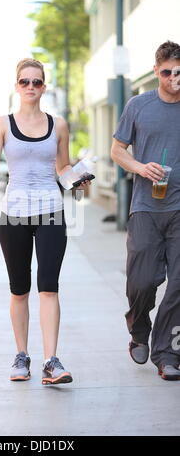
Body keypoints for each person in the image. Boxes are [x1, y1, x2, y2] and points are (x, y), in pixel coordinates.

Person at [0, 58, 89, 385]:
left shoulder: (59, 124)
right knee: (20, 290)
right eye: (24, 82)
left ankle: (51, 362)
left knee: (49, 287)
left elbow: (63, 170)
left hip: (51, 212)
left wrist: (80, 180)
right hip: (13, 216)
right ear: (16, 86)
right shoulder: (2, 125)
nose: (30, 87)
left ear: (44, 87)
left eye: (36, 82)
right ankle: (21, 355)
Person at [111, 41, 180, 381]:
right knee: (141, 281)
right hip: (145, 208)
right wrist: (139, 167)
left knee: (179, 283)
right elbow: (117, 150)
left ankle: (167, 353)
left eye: (178, 72)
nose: (172, 78)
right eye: (166, 72)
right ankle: (139, 330)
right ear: (156, 71)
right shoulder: (139, 105)